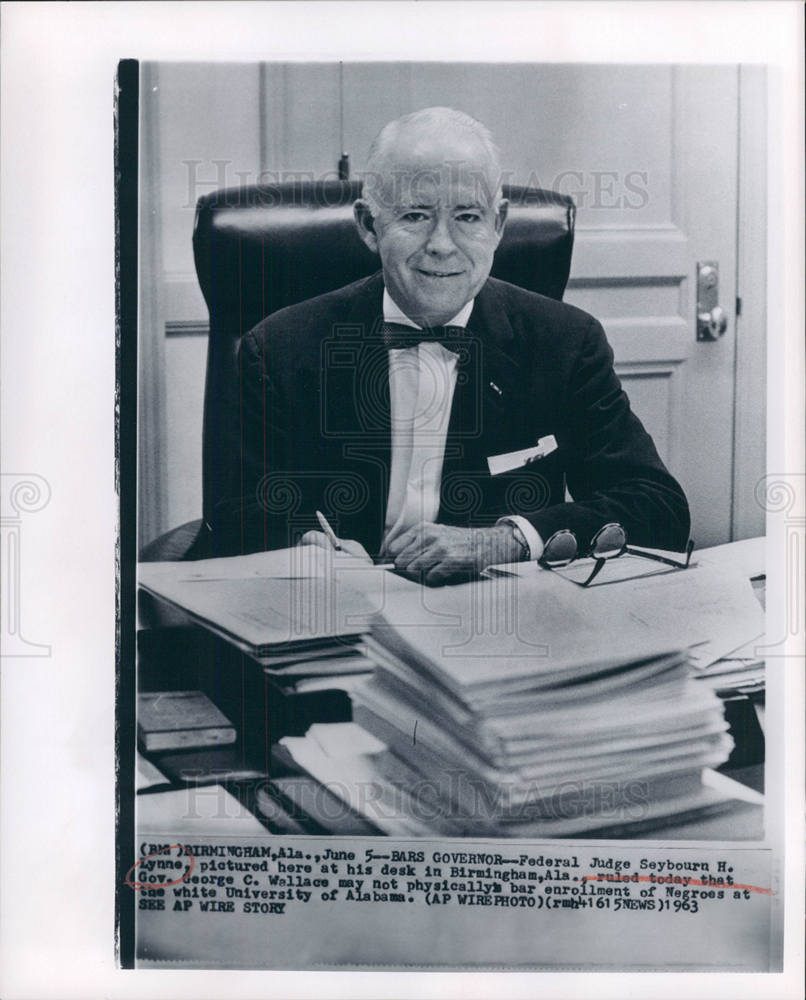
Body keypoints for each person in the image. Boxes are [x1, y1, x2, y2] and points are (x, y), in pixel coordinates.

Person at [211, 107, 690, 585]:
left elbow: (657, 506)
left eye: (467, 216)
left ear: (498, 224)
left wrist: (506, 539)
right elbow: (235, 517)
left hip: (501, 619)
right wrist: (302, 548)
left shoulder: (566, 342)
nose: (442, 244)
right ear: (368, 225)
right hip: (338, 618)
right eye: (415, 216)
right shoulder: (280, 348)